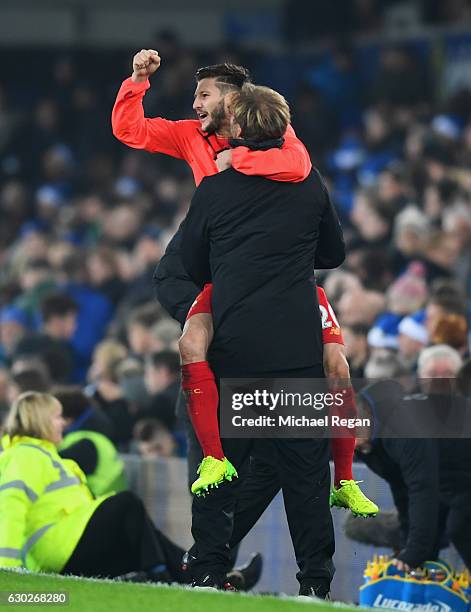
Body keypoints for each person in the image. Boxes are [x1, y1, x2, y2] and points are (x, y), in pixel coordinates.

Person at [113, 51, 376, 516]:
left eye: (203, 94)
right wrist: (136, 83)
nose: (194, 103)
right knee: (174, 289)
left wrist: (238, 162)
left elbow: (297, 167)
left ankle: (345, 480)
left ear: (234, 101)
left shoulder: (280, 135)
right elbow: (130, 130)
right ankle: (213, 343)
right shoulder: (190, 135)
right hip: (224, 257)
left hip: (278, 269)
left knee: (334, 364)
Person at [180, 84, 344, 597]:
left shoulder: (215, 188)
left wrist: (234, 266)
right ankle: (315, 584)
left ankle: (206, 570)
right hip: (297, 352)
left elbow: (191, 262)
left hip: (235, 348)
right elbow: (333, 253)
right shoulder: (311, 184)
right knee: (305, 477)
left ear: (241, 129)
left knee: (221, 466)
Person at [0, 391, 261, 590]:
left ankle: (207, 576)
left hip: (67, 544)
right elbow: (9, 507)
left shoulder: (49, 457)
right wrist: (7, 568)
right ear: (40, 420)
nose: (62, 423)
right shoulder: (27, 455)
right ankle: (171, 576)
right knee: (127, 506)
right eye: (57, 417)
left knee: (142, 532)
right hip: (58, 548)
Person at [354, 374, 471, 572]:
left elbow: (422, 488)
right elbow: (402, 487)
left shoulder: (402, 428)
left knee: (460, 527)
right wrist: (409, 546)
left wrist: (415, 552)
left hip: (459, 470)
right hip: (452, 473)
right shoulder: (366, 440)